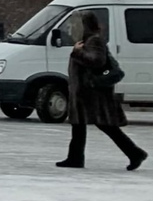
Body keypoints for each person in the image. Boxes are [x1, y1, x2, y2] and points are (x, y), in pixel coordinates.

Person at [55, 10, 146, 171]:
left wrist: (78, 53)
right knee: (79, 124)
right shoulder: (87, 40)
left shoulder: (93, 41)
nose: (69, 29)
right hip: (85, 92)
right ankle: (75, 158)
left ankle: (135, 153)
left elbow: (97, 61)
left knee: (105, 126)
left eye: (73, 25)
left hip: (92, 92)